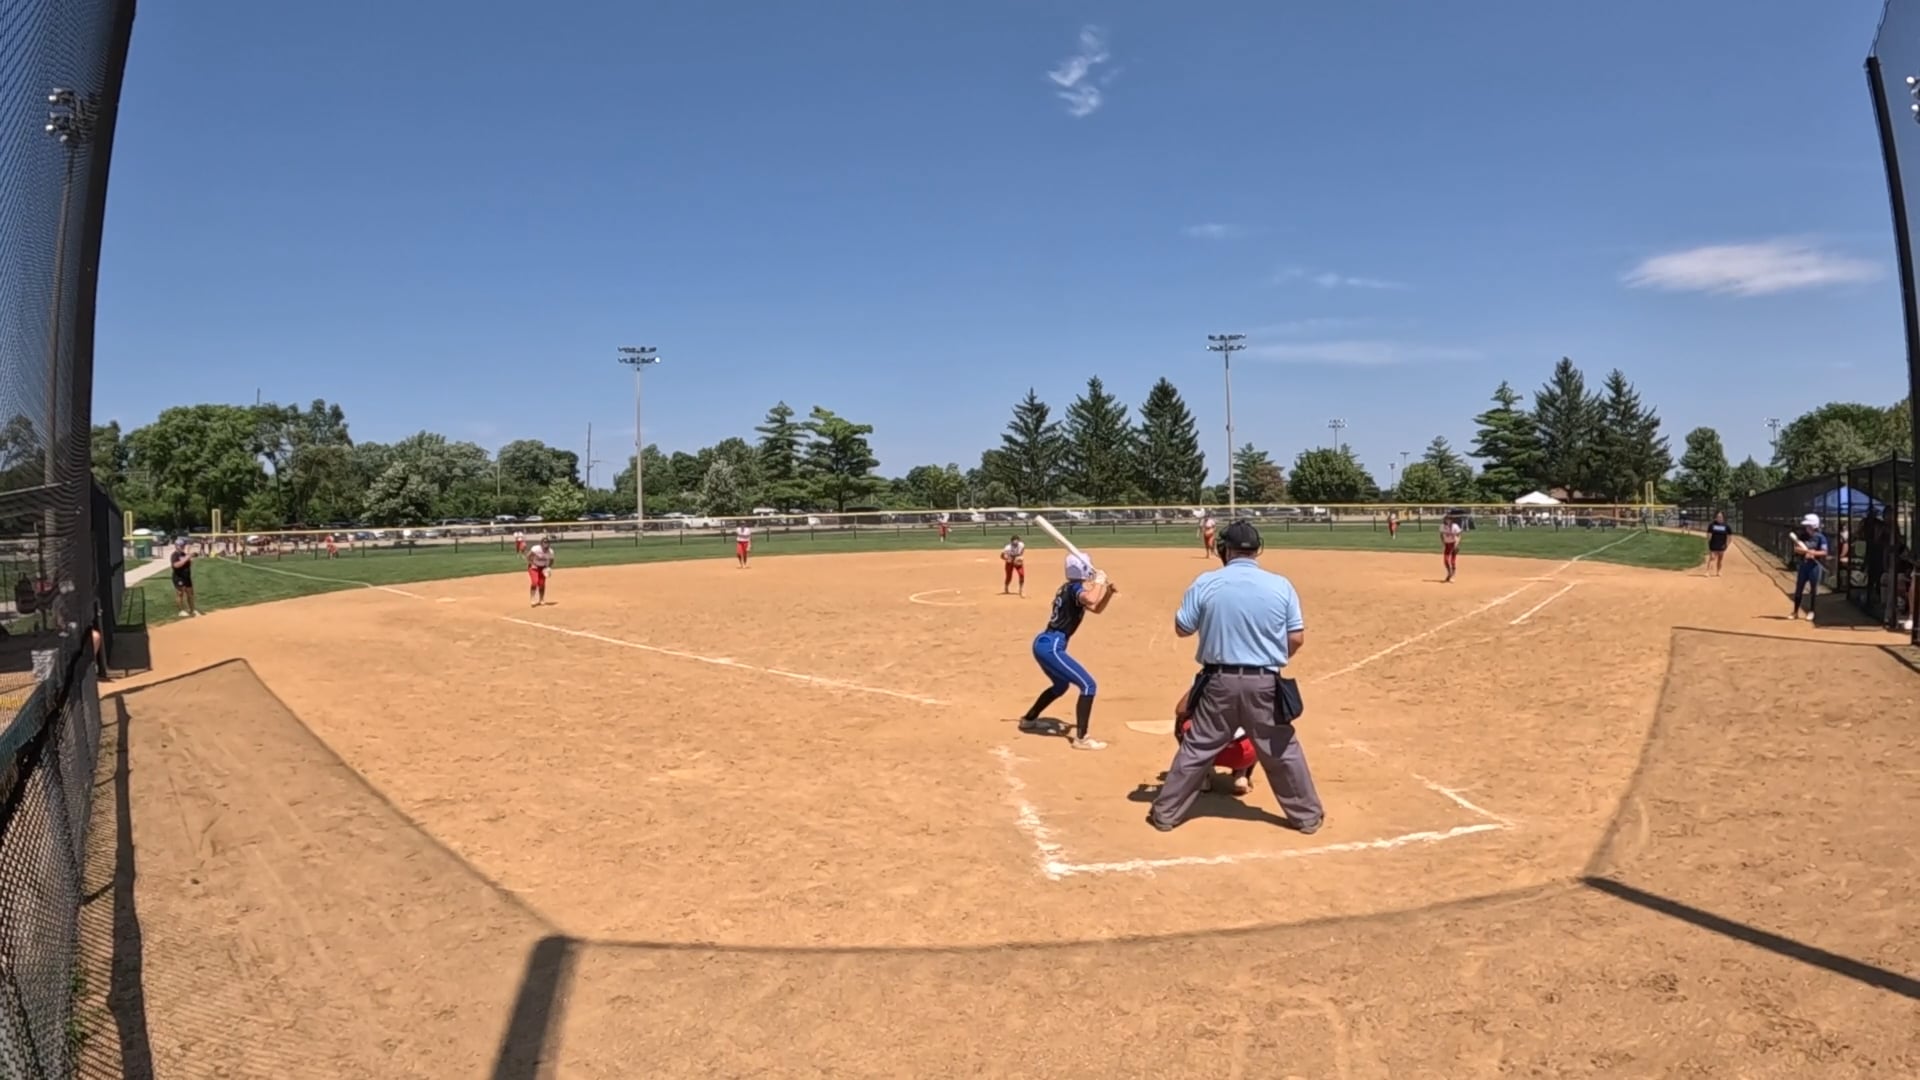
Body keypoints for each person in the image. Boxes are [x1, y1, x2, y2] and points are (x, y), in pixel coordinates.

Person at [1148, 519, 1323, 835]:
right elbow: (1296, 638)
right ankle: (1306, 817)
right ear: (1257, 549)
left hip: (1219, 681)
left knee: (1197, 747)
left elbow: (1182, 628)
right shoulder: (1281, 585)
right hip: (1265, 682)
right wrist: (1269, 657)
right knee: (1282, 750)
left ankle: (1166, 813)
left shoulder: (1206, 582)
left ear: (1224, 550)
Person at [1017, 552, 1116, 751]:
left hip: (1045, 643)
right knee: (1088, 685)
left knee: (1061, 686)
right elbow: (1090, 599)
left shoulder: (1068, 588)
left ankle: (1029, 719)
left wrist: (1108, 593)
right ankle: (1082, 738)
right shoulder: (1075, 589)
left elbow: (1096, 607)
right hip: (1051, 646)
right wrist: (1099, 582)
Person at [1173, 686, 1257, 795]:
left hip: (1207, 752)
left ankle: (1202, 777)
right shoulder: (1256, 683)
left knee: (1182, 721)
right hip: (1243, 753)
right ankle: (1242, 775)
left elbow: (1180, 710)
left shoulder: (1209, 681)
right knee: (1263, 729)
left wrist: (1197, 686)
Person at [1789, 513, 1829, 624]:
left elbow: (1824, 552)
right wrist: (1805, 552)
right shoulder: (1802, 536)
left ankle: (1811, 611)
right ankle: (1795, 612)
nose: (1806, 527)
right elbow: (1797, 549)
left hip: (1814, 567)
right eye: (1806, 526)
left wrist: (1814, 553)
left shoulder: (1820, 537)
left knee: (1813, 590)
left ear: (1814, 525)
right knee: (1799, 588)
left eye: (1808, 525)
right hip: (1803, 566)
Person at [170, 544, 200, 618]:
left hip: (187, 577)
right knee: (180, 593)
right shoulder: (174, 555)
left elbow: (188, 564)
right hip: (179, 577)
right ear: (176, 546)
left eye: (183, 545)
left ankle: (192, 609)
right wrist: (186, 558)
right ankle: (181, 611)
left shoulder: (184, 554)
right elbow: (176, 565)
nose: (182, 547)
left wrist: (190, 558)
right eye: (180, 545)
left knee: (190, 593)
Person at [526, 537, 555, 607]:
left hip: (543, 568)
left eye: (547, 542)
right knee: (534, 582)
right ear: (541, 543)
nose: (546, 543)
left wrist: (548, 567)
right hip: (533, 567)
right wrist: (532, 564)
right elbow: (528, 556)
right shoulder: (536, 549)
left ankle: (541, 599)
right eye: (544, 542)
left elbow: (552, 560)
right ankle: (532, 599)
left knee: (541, 584)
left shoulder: (550, 551)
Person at [1704, 511, 1732, 576]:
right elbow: (1709, 535)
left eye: (1720, 517)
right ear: (1716, 517)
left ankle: (1718, 571)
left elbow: (1730, 537)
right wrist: (1708, 542)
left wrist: (1727, 545)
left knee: (1720, 559)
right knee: (1712, 558)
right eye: (1718, 516)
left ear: (1723, 517)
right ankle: (1707, 572)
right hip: (1713, 543)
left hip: (1722, 544)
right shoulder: (1712, 525)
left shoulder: (1726, 526)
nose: (1719, 518)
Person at [1441, 513, 1463, 583]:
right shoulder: (1442, 526)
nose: (1447, 520)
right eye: (1446, 519)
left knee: (1452, 561)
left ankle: (1452, 575)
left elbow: (1459, 535)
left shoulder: (1455, 526)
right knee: (1446, 560)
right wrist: (1443, 543)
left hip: (1453, 544)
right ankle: (1449, 573)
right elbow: (1441, 535)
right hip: (1447, 545)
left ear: (1451, 520)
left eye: (1449, 519)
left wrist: (1456, 544)